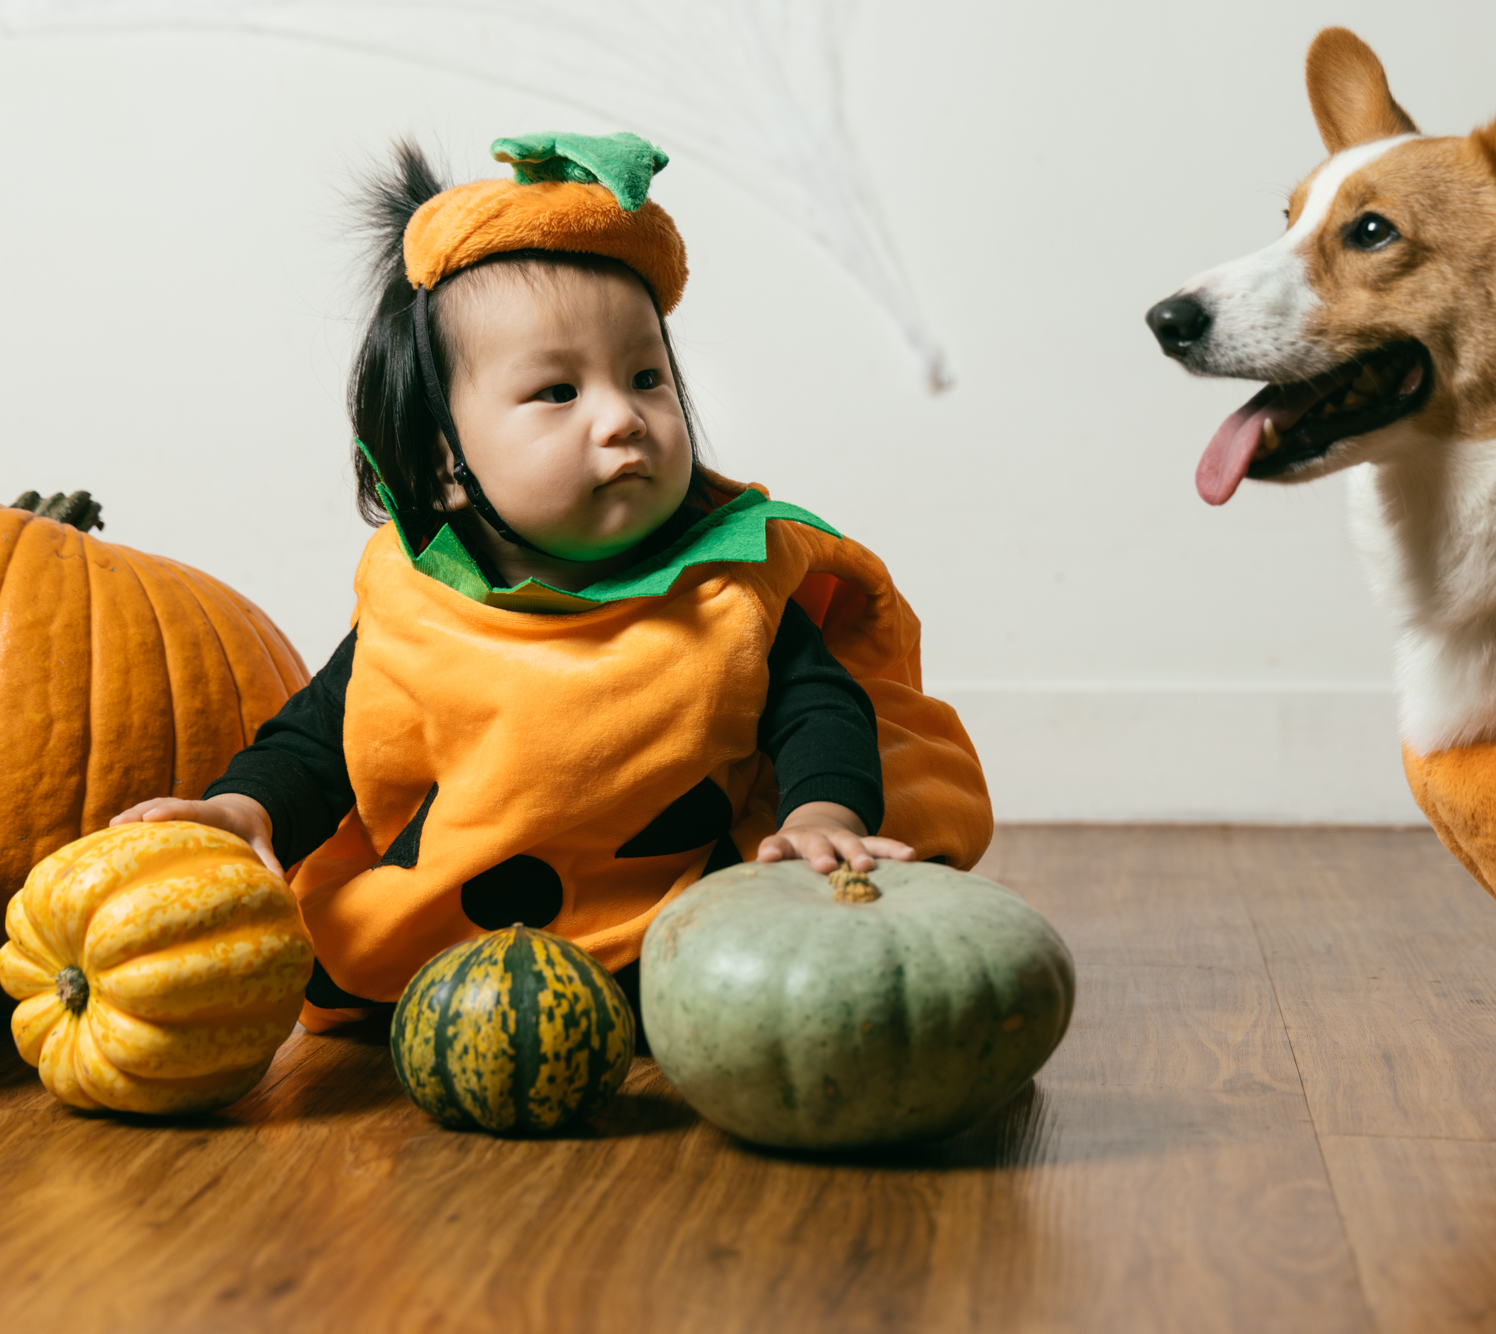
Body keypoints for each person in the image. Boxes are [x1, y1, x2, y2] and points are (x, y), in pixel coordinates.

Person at [112, 131, 993, 1031]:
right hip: (464, 933)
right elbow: (320, 739)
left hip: (674, 920)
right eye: (558, 393)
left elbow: (821, 709)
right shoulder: (420, 605)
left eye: (647, 377)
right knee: (359, 960)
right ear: (442, 462)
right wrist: (244, 807)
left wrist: (821, 813)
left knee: (744, 985)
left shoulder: (732, 585)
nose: (626, 418)